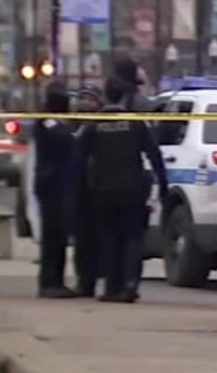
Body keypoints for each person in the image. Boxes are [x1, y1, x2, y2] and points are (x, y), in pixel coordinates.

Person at [79, 76, 168, 303]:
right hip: (133, 189)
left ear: (106, 96)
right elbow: (154, 154)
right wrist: (162, 183)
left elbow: (78, 157)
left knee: (109, 239)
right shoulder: (135, 123)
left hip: (103, 189)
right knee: (133, 238)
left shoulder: (95, 125)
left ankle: (112, 287)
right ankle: (130, 285)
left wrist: (81, 187)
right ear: (125, 96)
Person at [30, 82, 78, 298]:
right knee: (52, 234)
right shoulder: (47, 120)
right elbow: (62, 140)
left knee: (59, 235)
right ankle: (49, 282)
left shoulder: (57, 120)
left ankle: (57, 280)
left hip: (60, 182)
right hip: (51, 183)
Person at [70, 84, 106, 297]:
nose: (84, 103)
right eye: (82, 98)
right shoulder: (71, 127)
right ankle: (84, 280)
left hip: (97, 187)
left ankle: (94, 278)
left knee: (96, 238)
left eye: (90, 99)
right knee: (82, 239)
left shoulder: (101, 127)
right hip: (78, 189)